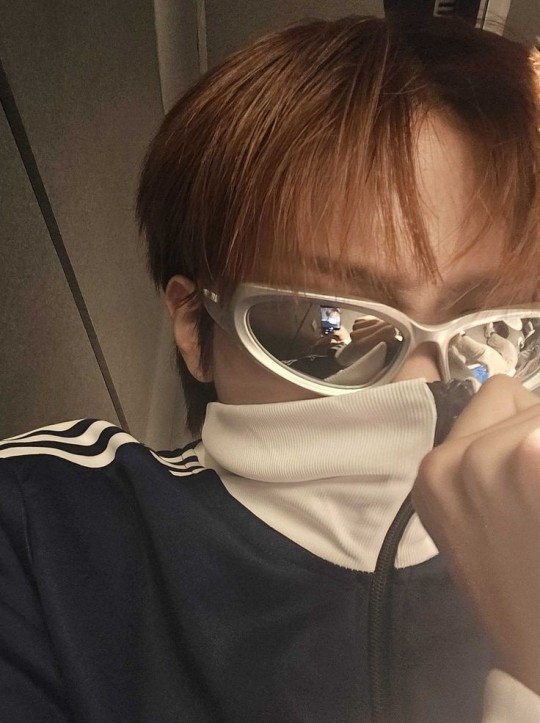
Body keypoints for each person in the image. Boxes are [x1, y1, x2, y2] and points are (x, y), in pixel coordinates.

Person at [1, 14, 540, 723]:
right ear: (194, 325)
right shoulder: (45, 523)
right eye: (329, 324)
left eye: (497, 330)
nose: (420, 384)